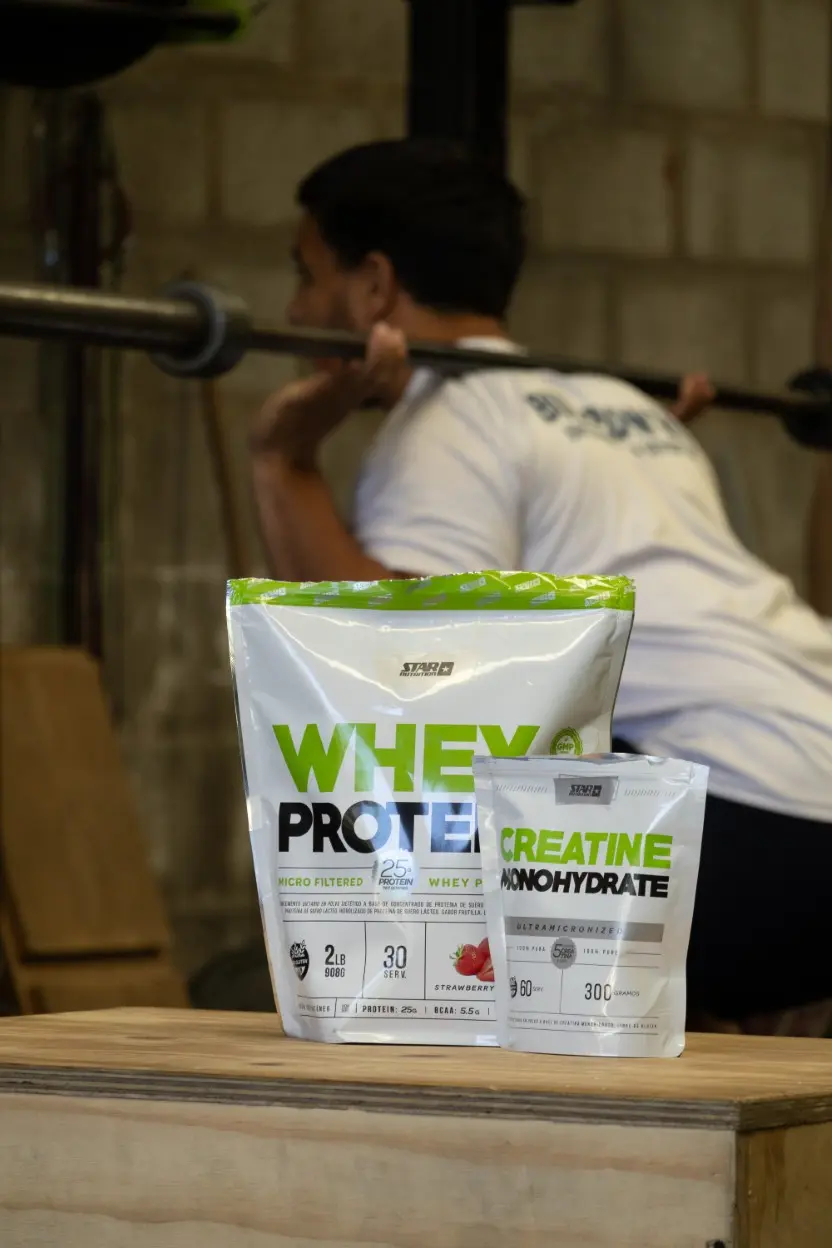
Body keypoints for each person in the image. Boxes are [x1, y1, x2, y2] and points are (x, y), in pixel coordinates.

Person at [249, 138, 832, 1028]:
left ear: (373, 286)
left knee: (405, 887)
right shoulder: (616, 403)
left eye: (308, 275)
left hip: (749, 825)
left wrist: (282, 462)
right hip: (795, 797)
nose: (295, 310)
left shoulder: (449, 416)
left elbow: (398, 681)